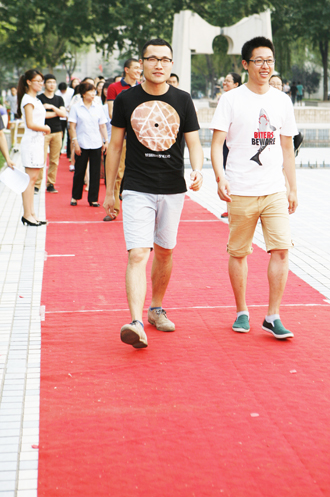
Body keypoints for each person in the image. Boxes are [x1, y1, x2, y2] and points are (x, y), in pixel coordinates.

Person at [103, 38, 203, 349]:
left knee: (165, 252)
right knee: (137, 253)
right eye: (152, 59)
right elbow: (115, 146)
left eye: (164, 60)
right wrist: (110, 191)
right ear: (142, 63)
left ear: (171, 64)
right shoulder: (126, 99)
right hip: (137, 187)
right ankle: (135, 323)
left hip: (173, 188)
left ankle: (156, 309)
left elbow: (194, 142)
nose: (159, 65)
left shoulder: (183, 100)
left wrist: (198, 169)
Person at [210, 36, 298, 340]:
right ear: (245, 64)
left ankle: (273, 316)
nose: (265, 66)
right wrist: (220, 177)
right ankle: (242, 311)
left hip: (274, 190)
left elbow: (287, 148)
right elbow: (217, 144)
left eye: (269, 60)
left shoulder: (282, 100)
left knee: (282, 250)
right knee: (239, 253)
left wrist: (292, 188)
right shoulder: (231, 100)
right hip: (240, 189)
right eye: (259, 60)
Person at [104, 58, 142, 222]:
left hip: (141, 138)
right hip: (123, 137)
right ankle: (113, 209)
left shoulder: (142, 87)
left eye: (139, 68)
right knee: (118, 173)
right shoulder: (114, 88)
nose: (139, 71)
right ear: (126, 69)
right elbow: (112, 113)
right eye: (136, 68)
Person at [17, 70, 51, 226]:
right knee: (29, 181)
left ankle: (32, 213)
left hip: (37, 142)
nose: (41, 84)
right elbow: (30, 123)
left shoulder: (35, 99)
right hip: (31, 143)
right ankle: (27, 214)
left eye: (41, 81)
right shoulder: (27, 100)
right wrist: (46, 128)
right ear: (29, 82)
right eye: (38, 81)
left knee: (33, 179)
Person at [69, 82, 108, 206]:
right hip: (81, 143)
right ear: (83, 93)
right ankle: (75, 197)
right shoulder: (76, 107)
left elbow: (102, 125)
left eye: (94, 91)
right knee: (79, 171)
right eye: (90, 91)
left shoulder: (98, 107)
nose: (93, 94)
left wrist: (105, 141)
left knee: (95, 172)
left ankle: (93, 198)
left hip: (96, 142)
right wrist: (75, 142)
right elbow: (72, 127)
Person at [35, 74, 66, 194]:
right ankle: (37, 185)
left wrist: (52, 107)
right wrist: (57, 112)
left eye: (53, 82)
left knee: (54, 160)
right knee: (41, 159)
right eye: (49, 82)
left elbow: (63, 114)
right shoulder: (39, 98)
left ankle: (51, 184)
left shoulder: (59, 99)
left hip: (57, 132)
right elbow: (42, 115)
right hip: (43, 132)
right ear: (44, 84)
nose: (52, 85)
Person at [220, 72, 242, 219]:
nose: (225, 83)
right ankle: (229, 205)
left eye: (228, 81)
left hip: (235, 144)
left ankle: (234, 206)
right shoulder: (224, 99)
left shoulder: (239, 100)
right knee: (227, 173)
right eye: (225, 80)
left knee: (235, 173)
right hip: (224, 142)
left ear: (236, 84)